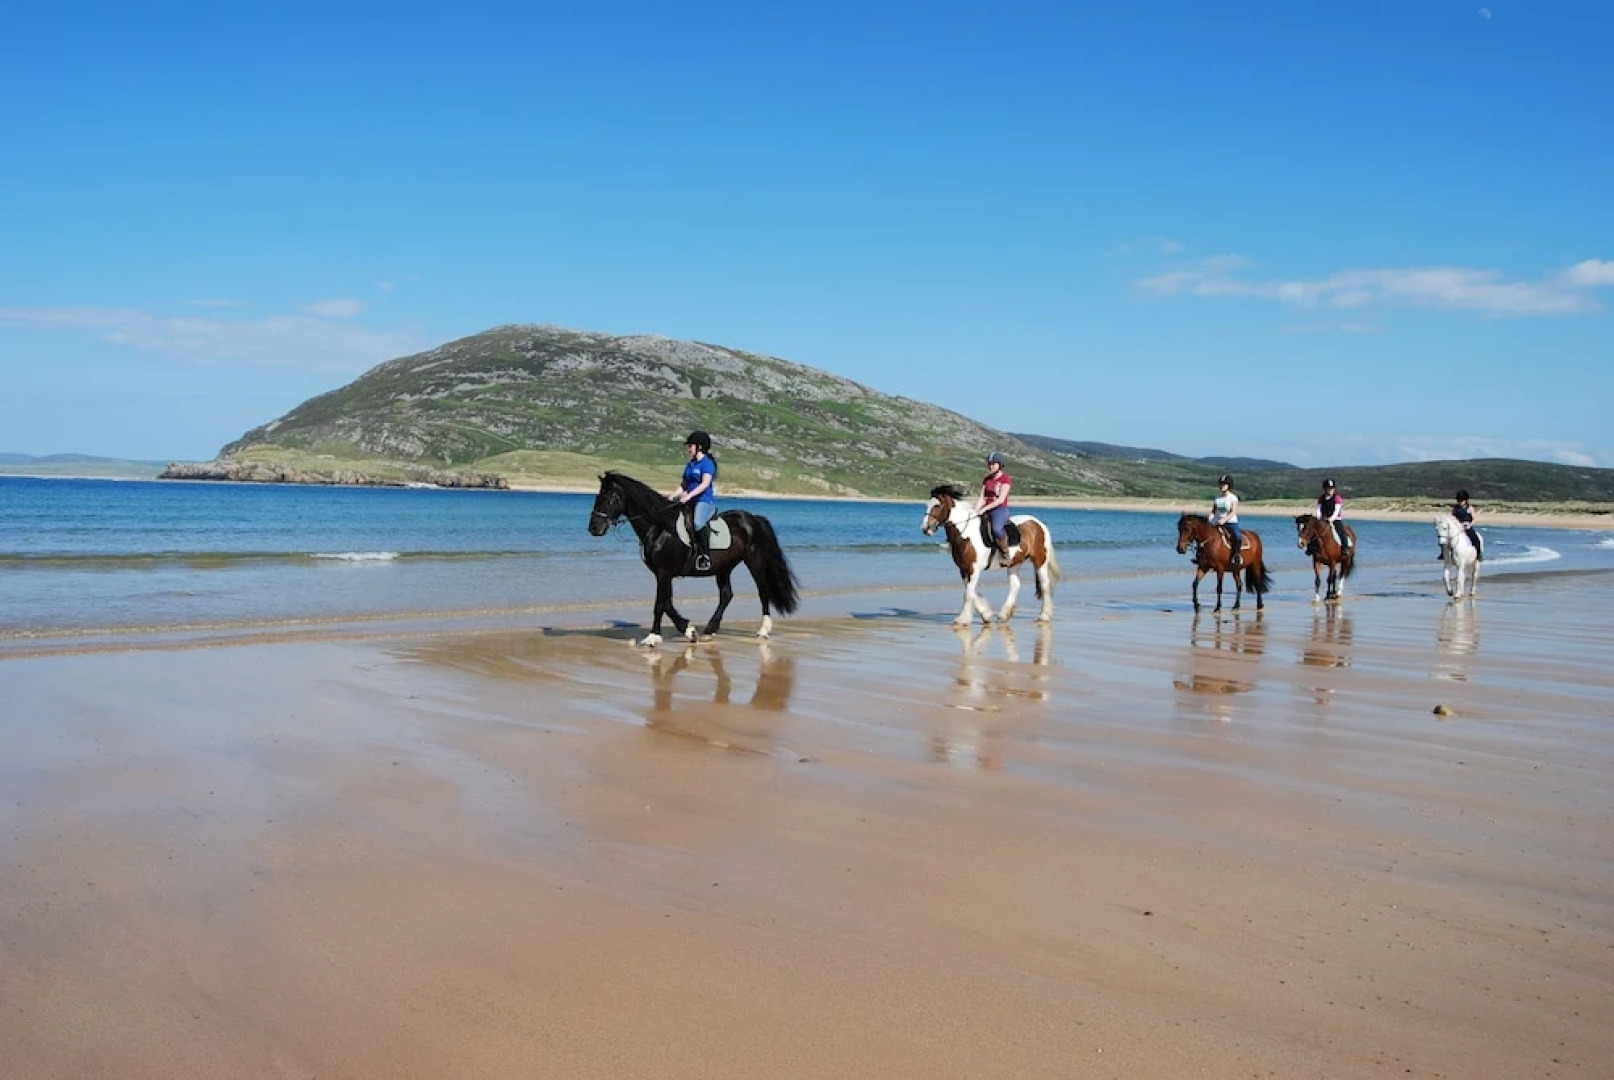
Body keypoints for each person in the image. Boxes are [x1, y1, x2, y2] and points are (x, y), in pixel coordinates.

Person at [671, 430, 718, 571]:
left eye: (690, 446)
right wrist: (672, 496)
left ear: (700, 447)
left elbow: (705, 484)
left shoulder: (707, 464)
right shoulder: (690, 464)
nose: (688, 449)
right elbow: (684, 485)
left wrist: (689, 495)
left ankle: (705, 555)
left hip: (704, 500)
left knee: (697, 523)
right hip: (689, 500)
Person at [975, 452, 1013, 562]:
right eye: (989, 464)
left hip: (999, 509)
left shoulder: (1005, 479)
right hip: (986, 509)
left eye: (993, 464)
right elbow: (982, 498)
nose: (991, 466)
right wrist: (975, 510)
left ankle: (1005, 554)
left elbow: (1000, 500)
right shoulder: (987, 479)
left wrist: (984, 509)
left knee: (996, 529)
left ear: (1000, 465)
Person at [1209, 474, 1243, 568]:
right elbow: (1213, 511)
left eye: (1224, 484)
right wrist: (1210, 518)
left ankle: (1236, 555)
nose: (1221, 486)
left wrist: (1224, 519)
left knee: (1237, 536)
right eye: (1221, 484)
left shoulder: (1233, 498)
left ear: (1229, 486)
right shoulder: (1217, 499)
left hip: (1230, 522)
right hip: (1217, 522)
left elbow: (1233, 512)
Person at [1314, 477, 1350, 551]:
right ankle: (1311, 548)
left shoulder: (1337, 498)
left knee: (1341, 532)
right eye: (1328, 488)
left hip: (1335, 519)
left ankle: (1345, 548)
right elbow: (1318, 509)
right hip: (1323, 519)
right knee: (1313, 532)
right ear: (1325, 489)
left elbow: (1336, 511)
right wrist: (1319, 517)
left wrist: (1331, 519)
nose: (1330, 490)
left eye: (1332, 488)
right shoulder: (1321, 499)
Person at [1447, 488, 1482, 562]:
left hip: (1467, 527)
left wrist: (1469, 525)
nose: (1460, 502)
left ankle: (1478, 554)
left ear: (1465, 500)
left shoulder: (1470, 508)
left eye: (1461, 500)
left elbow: (1474, 519)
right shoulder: (1455, 508)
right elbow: (1451, 517)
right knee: (1446, 539)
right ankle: (1444, 554)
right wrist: (1456, 524)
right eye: (1459, 500)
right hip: (1458, 527)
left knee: (1475, 538)